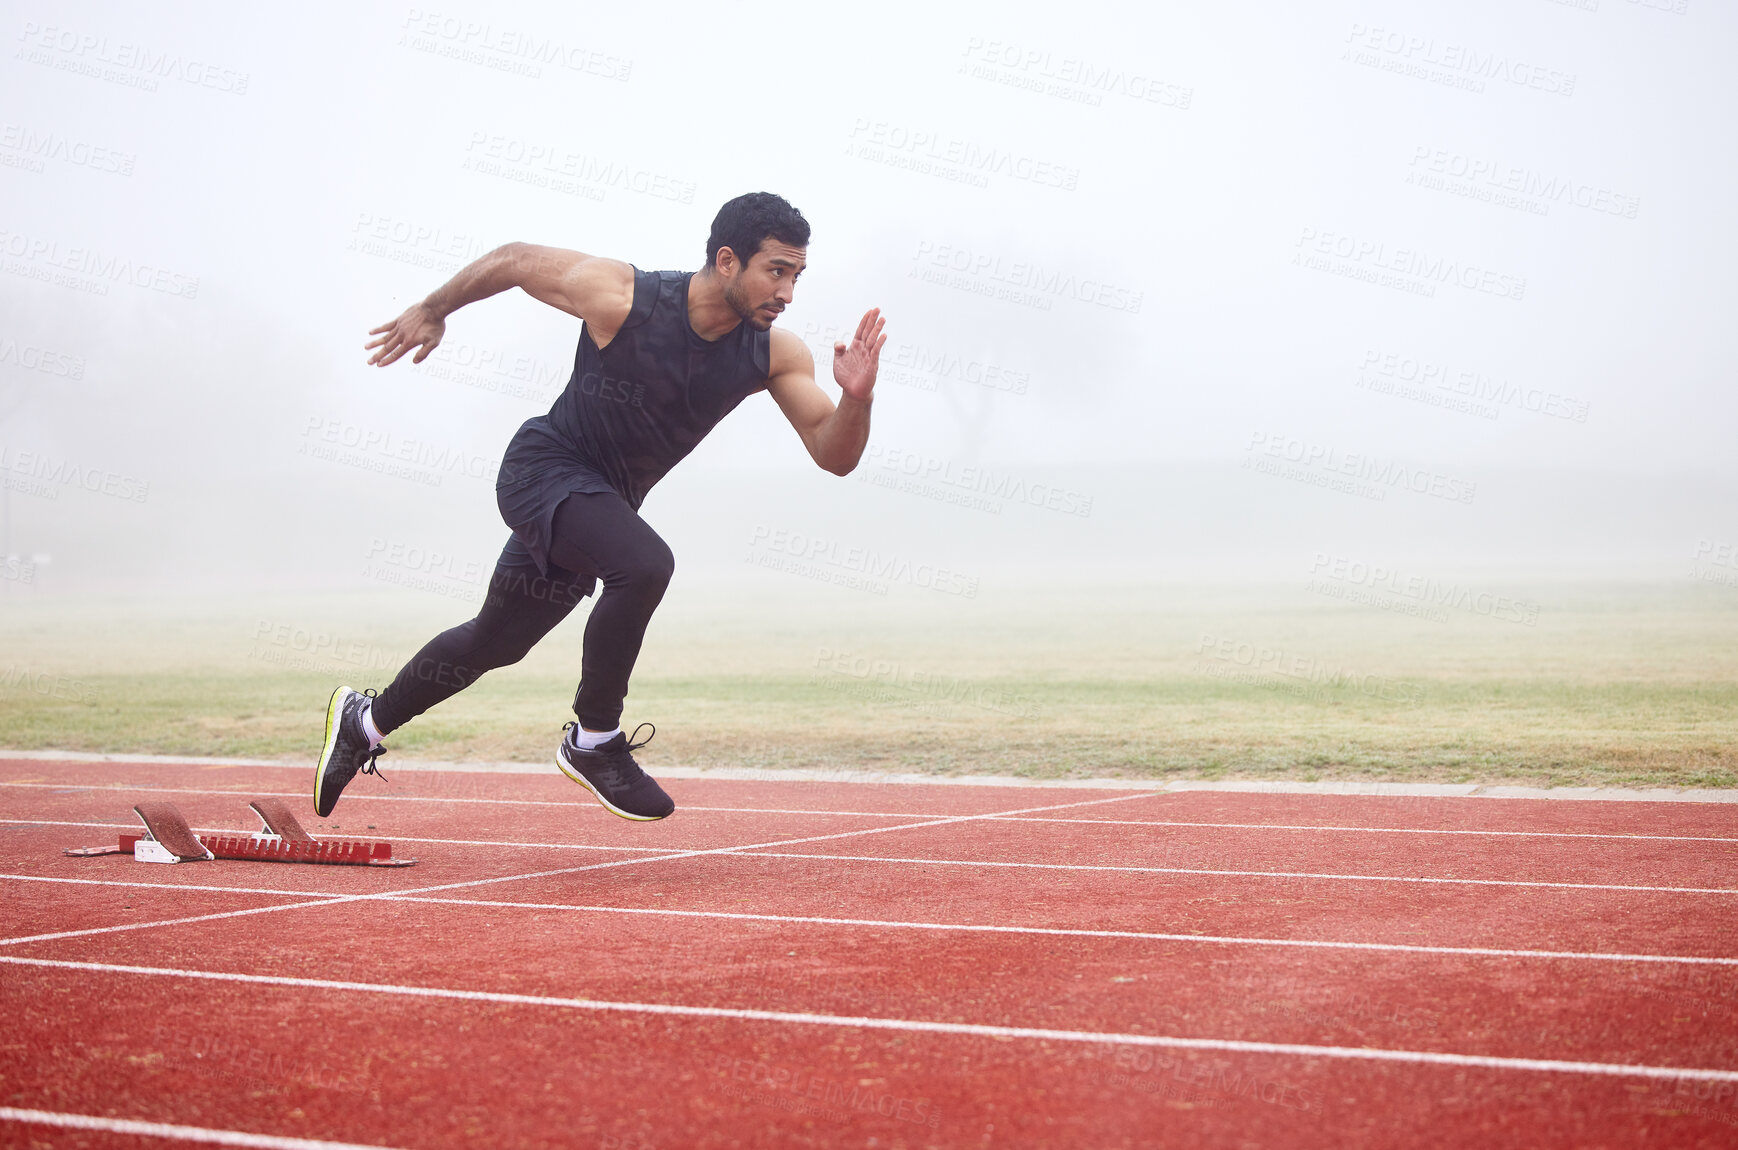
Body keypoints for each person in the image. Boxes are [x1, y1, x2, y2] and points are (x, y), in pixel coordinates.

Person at [313, 192, 885, 821]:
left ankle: (363, 723)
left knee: (494, 641)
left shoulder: (775, 354)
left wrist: (856, 398)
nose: (788, 292)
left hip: (599, 507)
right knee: (644, 565)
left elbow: (834, 454)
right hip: (543, 470)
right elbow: (513, 259)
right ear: (728, 261)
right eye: (776, 271)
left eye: (797, 275)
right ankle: (594, 740)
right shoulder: (623, 297)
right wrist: (432, 308)